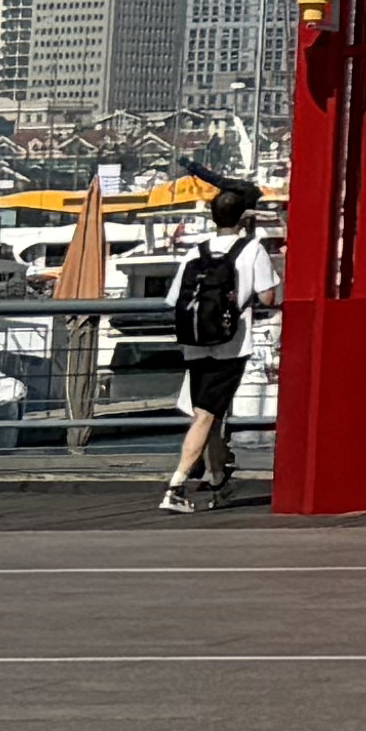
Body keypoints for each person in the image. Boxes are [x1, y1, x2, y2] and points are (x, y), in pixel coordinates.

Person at [156, 183, 265, 510]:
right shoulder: (252, 249)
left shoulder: (196, 251)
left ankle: (218, 481)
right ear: (243, 218)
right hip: (231, 345)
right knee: (205, 416)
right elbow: (272, 295)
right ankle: (176, 487)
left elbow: (174, 299)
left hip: (195, 343)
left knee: (212, 415)